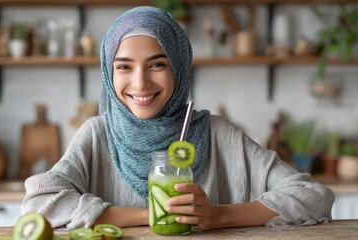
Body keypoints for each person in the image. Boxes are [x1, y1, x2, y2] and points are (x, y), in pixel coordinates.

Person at [21, 6, 334, 230]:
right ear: (108, 73)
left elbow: (313, 196)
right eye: (124, 67)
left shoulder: (218, 134)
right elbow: (37, 203)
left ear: (180, 68)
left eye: (158, 64)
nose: (140, 83)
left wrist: (219, 216)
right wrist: (151, 215)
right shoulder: (96, 135)